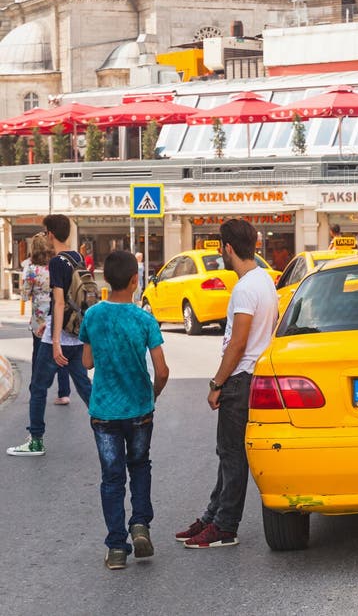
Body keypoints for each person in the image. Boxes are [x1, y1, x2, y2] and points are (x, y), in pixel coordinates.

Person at [175, 218, 279, 549]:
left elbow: (238, 341)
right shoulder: (263, 280)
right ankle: (212, 516)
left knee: (232, 456)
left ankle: (225, 526)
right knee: (227, 453)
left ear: (228, 248)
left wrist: (217, 382)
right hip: (251, 375)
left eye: (221, 247)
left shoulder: (247, 287)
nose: (220, 253)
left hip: (240, 378)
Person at [80, 250, 169, 570]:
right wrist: (152, 396)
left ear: (106, 281)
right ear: (136, 280)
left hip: (104, 412)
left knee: (112, 478)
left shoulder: (93, 316)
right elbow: (161, 371)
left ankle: (117, 547)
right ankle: (141, 524)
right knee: (140, 466)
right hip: (140, 411)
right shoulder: (144, 319)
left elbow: (87, 362)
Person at [7, 214, 92, 456]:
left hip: (59, 339)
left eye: (45, 232)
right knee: (85, 386)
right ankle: (107, 429)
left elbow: (57, 302)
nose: (45, 236)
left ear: (51, 234)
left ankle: (35, 440)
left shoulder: (56, 262)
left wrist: (55, 342)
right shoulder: (77, 257)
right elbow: (74, 300)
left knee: (38, 387)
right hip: (76, 335)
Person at [21, 232, 71, 405]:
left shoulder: (32, 270)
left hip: (38, 320)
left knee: (38, 355)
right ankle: (64, 393)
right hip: (57, 315)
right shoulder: (56, 266)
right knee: (60, 354)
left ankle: (36, 391)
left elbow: (25, 295)